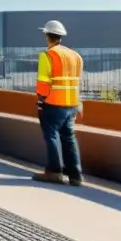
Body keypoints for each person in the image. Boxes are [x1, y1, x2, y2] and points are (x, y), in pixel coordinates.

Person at [33, 20, 84, 186]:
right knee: (69, 137)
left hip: (53, 103)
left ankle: (54, 172)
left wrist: (41, 100)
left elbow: (43, 83)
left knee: (51, 136)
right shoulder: (76, 56)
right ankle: (75, 175)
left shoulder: (47, 55)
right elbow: (77, 82)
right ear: (61, 36)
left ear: (47, 36)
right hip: (71, 105)